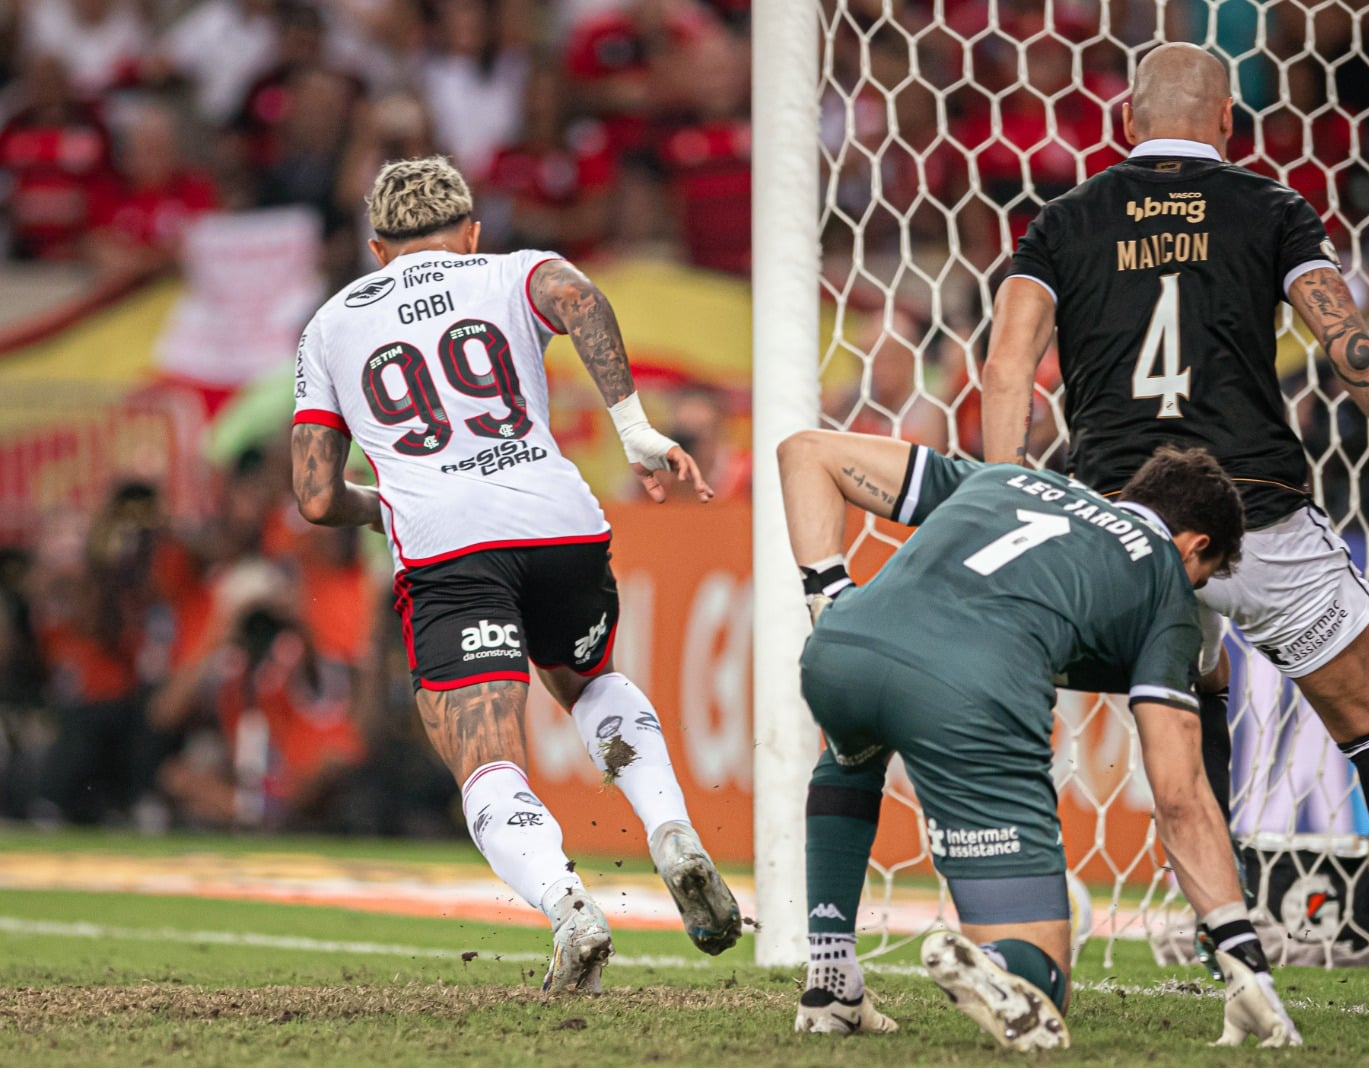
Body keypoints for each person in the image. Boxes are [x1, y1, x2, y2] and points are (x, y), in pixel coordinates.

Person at [980, 42, 1369, 1011]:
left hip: (1120, 523)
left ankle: (1212, 947)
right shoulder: (1271, 209)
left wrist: (1005, 496)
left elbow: (1008, 367)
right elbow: (1348, 345)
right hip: (1253, 517)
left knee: (1176, 690)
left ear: (1126, 127)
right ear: (1229, 126)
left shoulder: (1063, 221)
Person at [288, 155, 741, 993]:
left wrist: (387, 500)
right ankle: (672, 830)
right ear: (470, 231)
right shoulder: (512, 270)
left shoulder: (330, 324)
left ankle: (570, 908)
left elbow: (315, 497)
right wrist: (636, 431)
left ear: (379, 249)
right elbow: (582, 299)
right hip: (559, 519)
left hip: (449, 548)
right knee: (591, 680)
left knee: (485, 751)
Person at [779, 429, 1300, 1051]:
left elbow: (804, 452)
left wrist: (830, 593)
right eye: (1204, 576)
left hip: (841, 651)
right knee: (1046, 987)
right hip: (969, 694)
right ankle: (999, 966)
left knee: (852, 753)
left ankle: (831, 982)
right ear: (1195, 547)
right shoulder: (1164, 581)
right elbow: (1180, 794)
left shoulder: (1004, 478)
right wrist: (1242, 951)